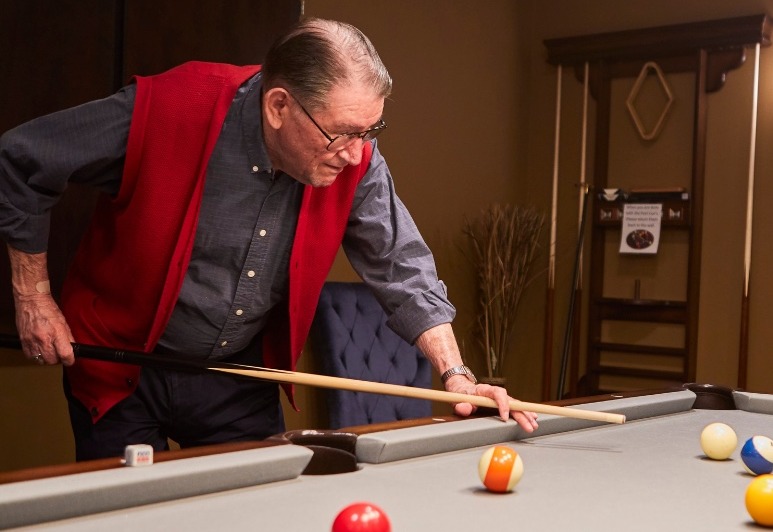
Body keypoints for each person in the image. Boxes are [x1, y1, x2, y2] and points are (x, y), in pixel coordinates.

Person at [0, 18, 538, 460]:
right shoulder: (168, 108)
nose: (356, 153)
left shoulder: (356, 159)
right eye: (342, 133)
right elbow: (23, 159)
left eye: (369, 132)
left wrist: (456, 373)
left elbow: (402, 267)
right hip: (122, 366)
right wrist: (32, 297)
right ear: (279, 106)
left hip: (238, 375)